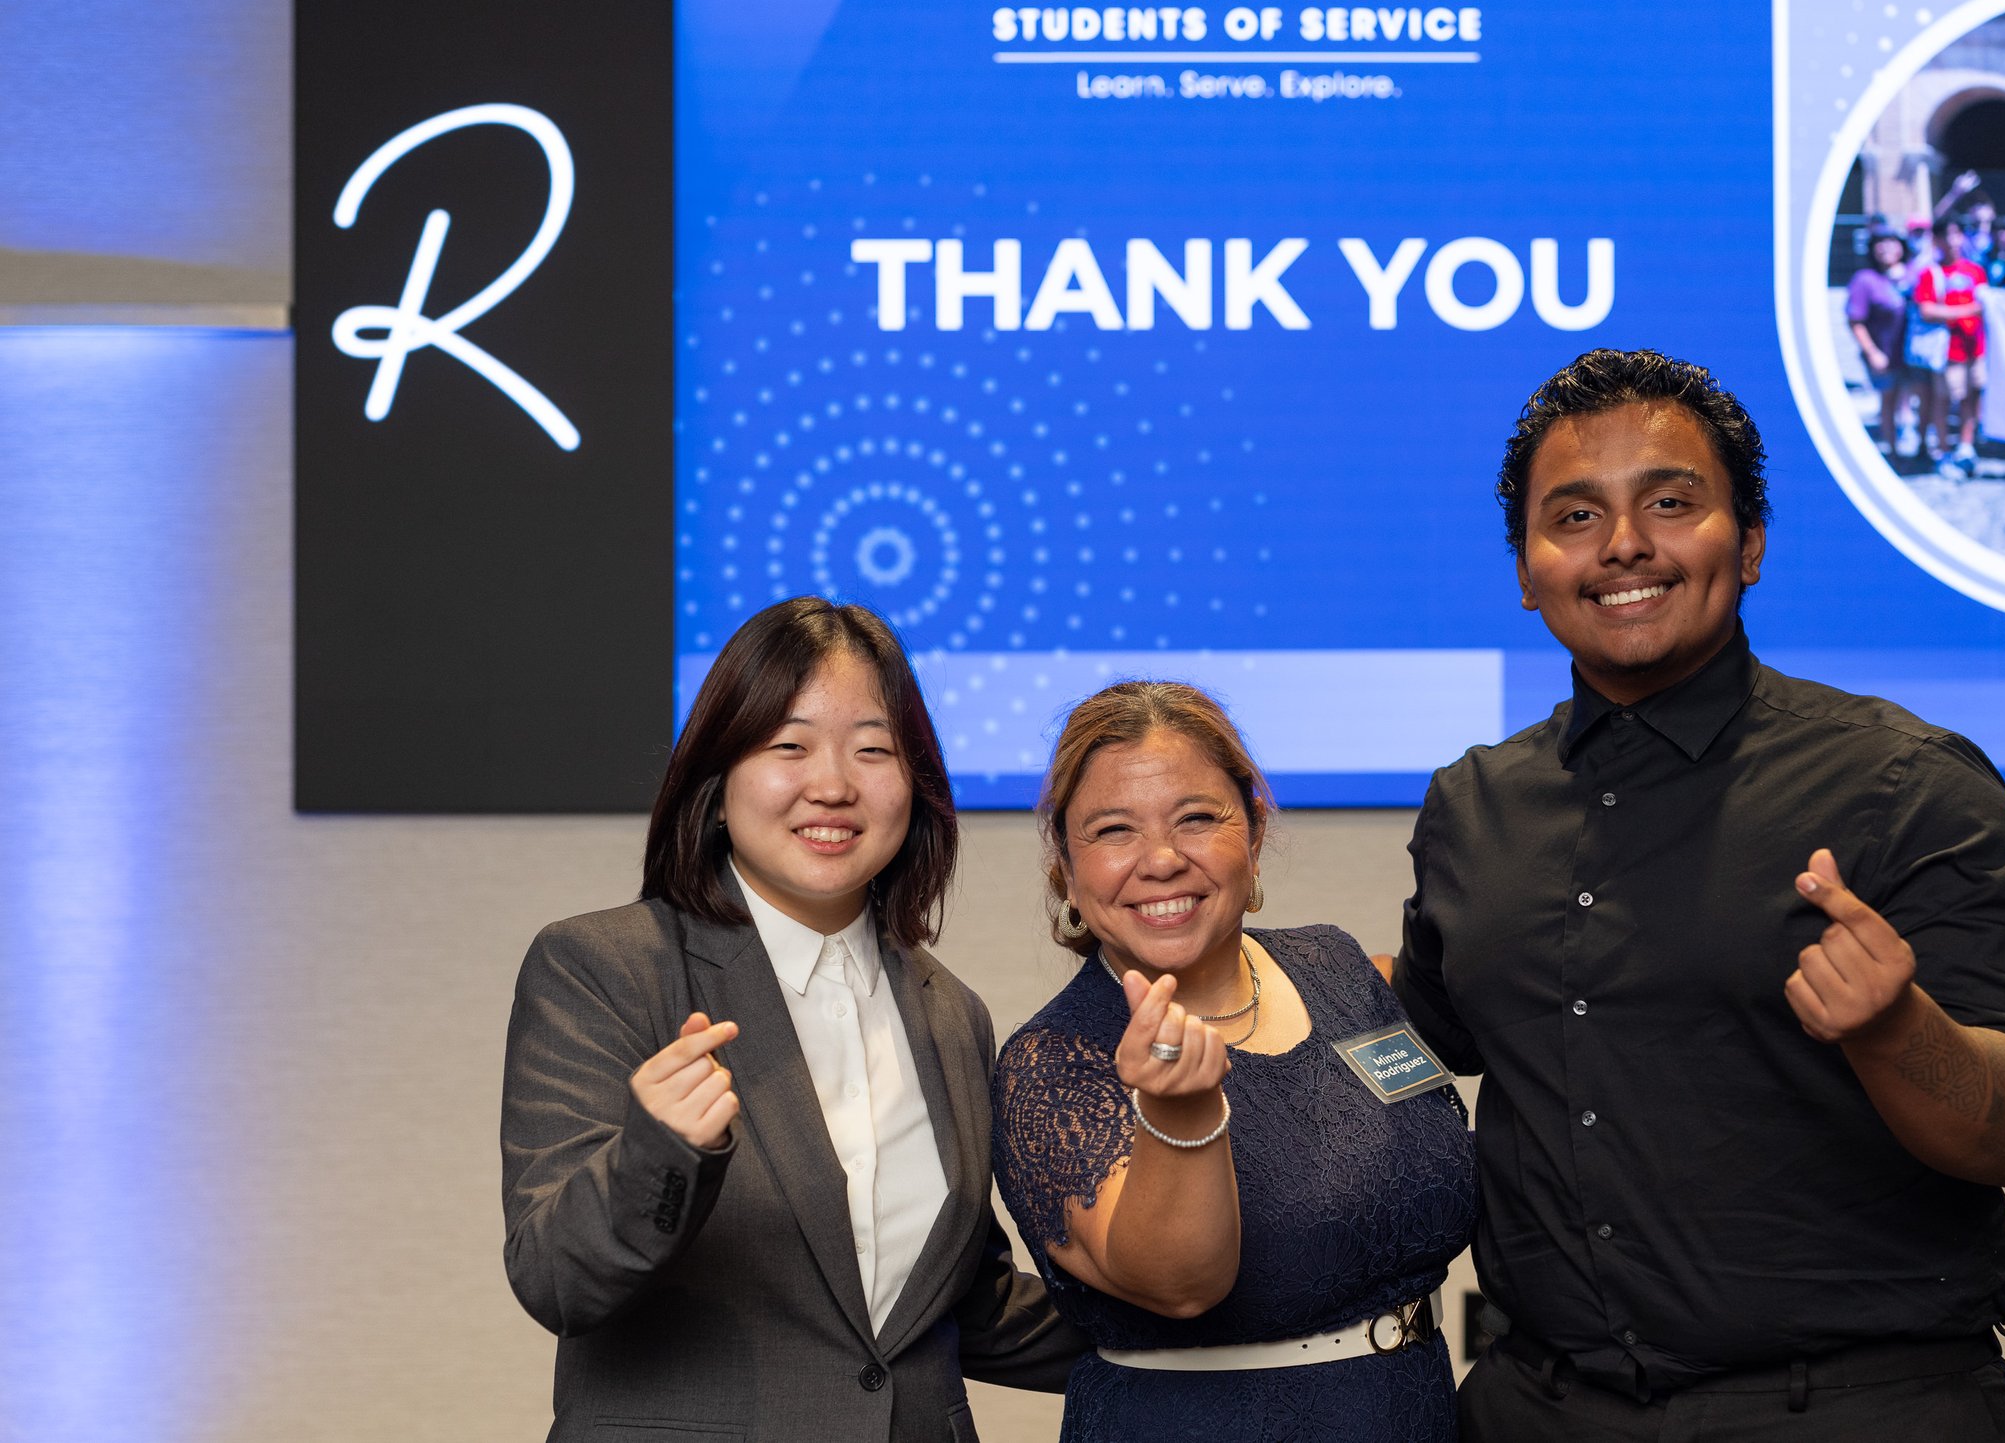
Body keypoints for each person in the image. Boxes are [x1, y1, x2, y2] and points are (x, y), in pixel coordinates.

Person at [1397, 350, 2005, 1442]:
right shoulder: (1474, 805)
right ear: (1527, 569)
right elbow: (1429, 1024)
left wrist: (1895, 1025)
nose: (1622, 543)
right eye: (1574, 514)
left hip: (1855, 1411)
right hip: (1540, 1408)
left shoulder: (1904, 785)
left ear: (1750, 541)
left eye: (1670, 502)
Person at [502, 597, 1081, 1443]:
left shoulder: (952, 1012)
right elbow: (556, 1280)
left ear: (913, 784)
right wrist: (659, 1152)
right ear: (718, 773)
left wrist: (1226, 1323)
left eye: (873, 749)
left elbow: (964, 1303)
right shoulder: (606, 967)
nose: (834, 784)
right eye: (789, 744)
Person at [992, 682, 1476, 1443]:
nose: (1160, 859)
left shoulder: (1338, 966)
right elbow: (1181, 1284)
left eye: (1196, 818)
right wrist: (1179, 1113)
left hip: (1414, 1410)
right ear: (1065, 867)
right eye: (1113, 829)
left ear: (1252, 834)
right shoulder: (1054, 1065)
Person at [1845, 227, 1930, 463]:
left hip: (1914, 354)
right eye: (1880, 243)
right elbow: (1855, 321)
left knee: (1923, 398)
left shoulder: (1913, 274)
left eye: (1891, 242)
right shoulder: (1865, 280)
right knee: (1889, 401)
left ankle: (1922, 446)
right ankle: (1892, 452)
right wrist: (1872, 352)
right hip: (1884, 353)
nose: (1886, 248)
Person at [1913, 221, 1990, 477]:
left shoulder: (1975, 271)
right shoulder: (1931, 274)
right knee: (1943, 401)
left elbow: (1987, 303)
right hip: (1947, 352)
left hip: (1975, 347)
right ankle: (1944, 450)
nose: (1953, 241)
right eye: (1947, 236)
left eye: (1957, 234)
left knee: (1972, 397)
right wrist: (1967, 311)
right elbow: (1927, 310)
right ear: (1937, 241)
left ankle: (1966, 446)